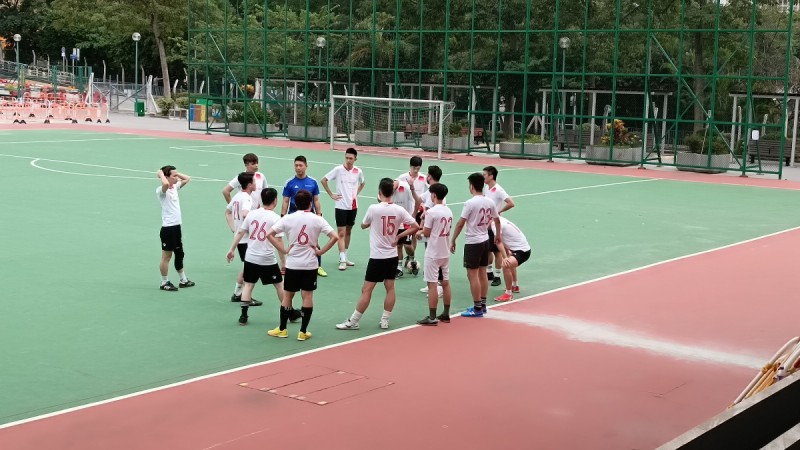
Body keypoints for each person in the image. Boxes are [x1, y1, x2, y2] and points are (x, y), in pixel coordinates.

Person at [336, 178, 419, 331]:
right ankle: (385, 320)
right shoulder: (399, 210)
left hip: (377, 257)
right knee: (390, 288)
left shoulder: (373, 208)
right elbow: (415, 226)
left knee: (366, 289)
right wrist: (399, 236)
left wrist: (372, 222)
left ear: (379, 192)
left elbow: (363, 225)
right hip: (392, 256)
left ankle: (353, 321)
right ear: (392, 193)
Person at [266, 190, 338, 341]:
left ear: (295, 203)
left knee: (288, 295)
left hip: (293, 264)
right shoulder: (318, 219)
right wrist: (320, 252)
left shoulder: (288, 218)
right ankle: (303, 331)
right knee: (307, 296)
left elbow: (269, 234)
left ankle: (282, 329)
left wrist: (283, 250)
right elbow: (335, 237)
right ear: (310, 203)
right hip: (310, 264)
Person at [227, 188, 295, 325]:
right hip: (267, 258)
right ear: (275, 200)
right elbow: (279, 241)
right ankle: (290, 313)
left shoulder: (252, 214)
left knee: (248, 285)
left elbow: (240, 232)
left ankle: (243, 316)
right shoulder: (276, 218)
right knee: (279, 285)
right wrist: (283, 262)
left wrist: (231, 249)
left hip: (251, 257)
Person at [449, 173, 501, 317]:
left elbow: (460, 223)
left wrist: (453, 239)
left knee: (472, 275)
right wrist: (498, 235)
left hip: (473, 242)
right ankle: (482, 305)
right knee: (483, 273)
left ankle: (477, 308)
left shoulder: (470, 203)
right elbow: (497, 220)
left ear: (471, 186)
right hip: (485, 240)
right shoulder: (489, 202)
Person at [320, 147, 365, 271]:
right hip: (340, 206)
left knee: (348, 231)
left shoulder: (358, 171)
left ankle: (345, 255)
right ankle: (342, 259)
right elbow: (323, 180)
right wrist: (331, 194)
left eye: (351, 158)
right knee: (341, 233)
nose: (348, 160)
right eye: (347, 158)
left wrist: (356, 194)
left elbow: (362, 183)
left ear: (355, 159)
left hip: (353, 206)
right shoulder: (338, 170)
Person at [281, 156, 328, 277]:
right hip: (294, 215)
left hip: (309, 215)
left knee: (314, 241)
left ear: (306, 166)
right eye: (296, 165)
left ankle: (318, 266)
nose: (298, 168)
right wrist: (282, 216)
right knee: (293, 241)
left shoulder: (313, 182)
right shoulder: (289, 182)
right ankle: (290, 265)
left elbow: (316, 199)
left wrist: (319, 214)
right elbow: (285, 200)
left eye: (300, 165)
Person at [416, 182, 453, 325]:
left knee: (432, 285)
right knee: (445, 283)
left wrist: (419, 233)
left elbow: (426, 232)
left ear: (434, 195)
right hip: (445, 251)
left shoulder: (431, 212)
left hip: (433, 253)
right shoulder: (448, 211)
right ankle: (446, 313)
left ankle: (432, 317)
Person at [224, 172, 264, 306]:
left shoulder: (237, 196)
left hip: (240, 238)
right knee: (250, 269)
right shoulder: (247, 198)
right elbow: (246, 213)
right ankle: (245, 296)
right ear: (249, 184)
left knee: (246, 267)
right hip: (246, 239)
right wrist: (258, 220)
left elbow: (227, 212)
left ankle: (237, 294)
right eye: (254, 182)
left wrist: (234, 229)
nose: (256, 184)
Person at [156, 165, 195, 291]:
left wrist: (176, 174)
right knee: (166, 257)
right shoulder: (161, 191)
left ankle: (183, 280)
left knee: (179, 254)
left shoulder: (175, 187)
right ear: (166, 177)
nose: (177, 178)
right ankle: (164, 282)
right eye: (174, 176)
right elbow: (165, 184)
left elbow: (187, 178)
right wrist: (161, 174)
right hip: (168, 229)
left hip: (177, 227)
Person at [483, 166, 515, 287]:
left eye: (485, 175)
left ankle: (497, 276)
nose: (483, 177)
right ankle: (489, 272)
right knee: (487, 249)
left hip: (494, 224)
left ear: (491, 176)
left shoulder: (498, 190)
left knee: (497, 251)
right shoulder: (486, 188)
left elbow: (511, 203)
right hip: (486, 223)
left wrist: (498, 212)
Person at [396, 156, 427, 275]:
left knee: (414, 235)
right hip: (406, 212)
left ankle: (410, 258)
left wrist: (424, 208)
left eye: (418, 168)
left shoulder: (423, 178)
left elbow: (429, 193)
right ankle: (410, 257)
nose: (416, 170)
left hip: (419, 211)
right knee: (404, 241)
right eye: (414, 168)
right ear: (410, 166)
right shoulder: (402, 178)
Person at [418, 165, 445, 296]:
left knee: (433, 257)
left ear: (430, 176)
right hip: (437, 227)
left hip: (433, 228)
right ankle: (432, 284)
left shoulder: (433, 192)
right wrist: (412, 188)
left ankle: (437, 286)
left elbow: (427, 211)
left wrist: (421, 228)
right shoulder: (435, 190)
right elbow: (420, 199)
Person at [492, 216, 532, 302]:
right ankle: (515, 286)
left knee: (505, 265)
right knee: (510, 261)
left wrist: (505, 257)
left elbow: (499, 242)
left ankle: (508, 294)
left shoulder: (494, 225)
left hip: (522, 252)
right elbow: (506, 238)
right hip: (521, 249)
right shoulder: (500, 219)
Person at [392, 178, 420, 278]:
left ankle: (412, 259)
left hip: (407, 222)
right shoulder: (389, 191)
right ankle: (399, 268)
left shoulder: (406, 187)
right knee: (398, 246)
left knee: (407, 245)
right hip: (396, 222)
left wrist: (414, 214)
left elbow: (417, 201)